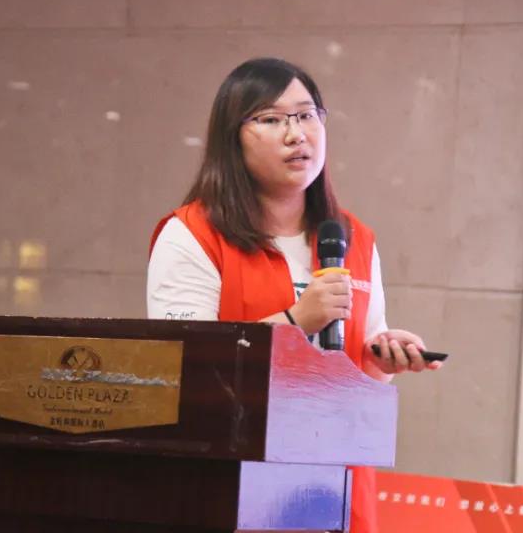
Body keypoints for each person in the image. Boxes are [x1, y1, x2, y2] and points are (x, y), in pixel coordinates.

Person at [147, 57, 442, 533]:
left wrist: (380, 358)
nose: (296, 134)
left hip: (335, 488)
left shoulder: (351, 237)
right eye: (271, 119)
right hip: (231, 490)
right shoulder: (192, 235)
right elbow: (185, 371)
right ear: (232, 137)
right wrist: (294, 322)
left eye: (306, 115)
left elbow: (356, 370)